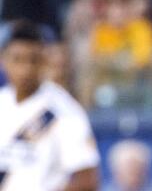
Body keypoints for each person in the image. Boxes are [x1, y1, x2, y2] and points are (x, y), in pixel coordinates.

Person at [0, 20, 100, 190]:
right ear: (3, 60)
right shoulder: (2, 102)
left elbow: (87, 180)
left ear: (44, 61)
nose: (25, 69)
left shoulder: (63, 109)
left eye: (33, 60)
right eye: (17, 60)